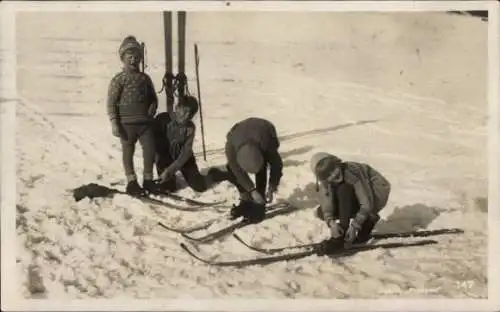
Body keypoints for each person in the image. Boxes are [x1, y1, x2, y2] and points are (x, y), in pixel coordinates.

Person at [107, 35, 158, 196]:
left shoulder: (145, 78)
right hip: (126, 125)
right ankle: (131, 182)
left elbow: (153, 98)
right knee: (128, 152)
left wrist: (151, 111)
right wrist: (115, 123)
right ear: (123, 58)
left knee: (149, 150)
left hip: (145, 124)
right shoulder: (118, 80)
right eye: (129, 57)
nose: (133, 60)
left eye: (136, 57)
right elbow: (111, 102)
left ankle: (148, 180)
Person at [310, 152, 391, 246]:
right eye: (328, 175)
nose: (333, 175)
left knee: (343, 189)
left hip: (375, 193)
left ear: (337, 162)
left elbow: (367, 203)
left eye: (333, 169)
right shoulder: (326, 183)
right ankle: (363, 221)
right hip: (359, 197)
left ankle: (367, 220)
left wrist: (354, 226)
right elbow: (327, 205)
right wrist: (331, 223)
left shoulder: (351, 172)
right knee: (321, 212)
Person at [154, 95, 227, 194]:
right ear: (177, 108)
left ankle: (214, 174)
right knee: (168, 188)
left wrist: (170, 171)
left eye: (190, 114)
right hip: (164, 157)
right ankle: (170, 180)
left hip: (183, 158)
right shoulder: (162, 120)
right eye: (184, 111)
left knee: (199, 186)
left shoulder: (190, 127)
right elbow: (153, 145)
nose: (186, 116)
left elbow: (185, 153)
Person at [222, 117, 284, 223]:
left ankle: (260, 204)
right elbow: (237, 171)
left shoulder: (268, 145)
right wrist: (251, 190)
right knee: (231, 169)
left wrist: (272, 186)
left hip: (264, 130)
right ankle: (246, 199)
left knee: (261, 170)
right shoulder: (231, 148)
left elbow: (277, 165)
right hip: (241, 132)